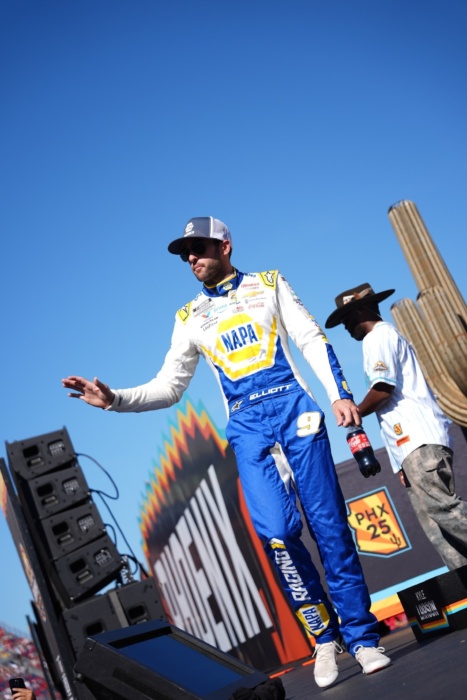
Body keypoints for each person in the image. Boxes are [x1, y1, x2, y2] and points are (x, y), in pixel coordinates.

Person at [62, 218, 391, 688]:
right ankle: (323, 637)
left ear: (225, 246)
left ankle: (362, 638)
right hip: (247, 427)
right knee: (277, 534)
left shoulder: (269, 283)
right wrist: (116, 399)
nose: (191, 258)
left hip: (296, 412)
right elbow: (169, 386)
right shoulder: (189, 316)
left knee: (330, 528)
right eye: (185, 253)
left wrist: (338, 393)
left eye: (198, 248)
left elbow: (310, 338)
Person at [325, 282, 467, 571]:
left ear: (361, 311)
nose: (346, 327)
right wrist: (401, 464)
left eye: (347, 319)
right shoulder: (385, 336)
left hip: (419, 442)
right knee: (439, 531)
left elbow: (383, 389)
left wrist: (355, 411)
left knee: (445, 512)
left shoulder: (377, 337)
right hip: (412, 448)